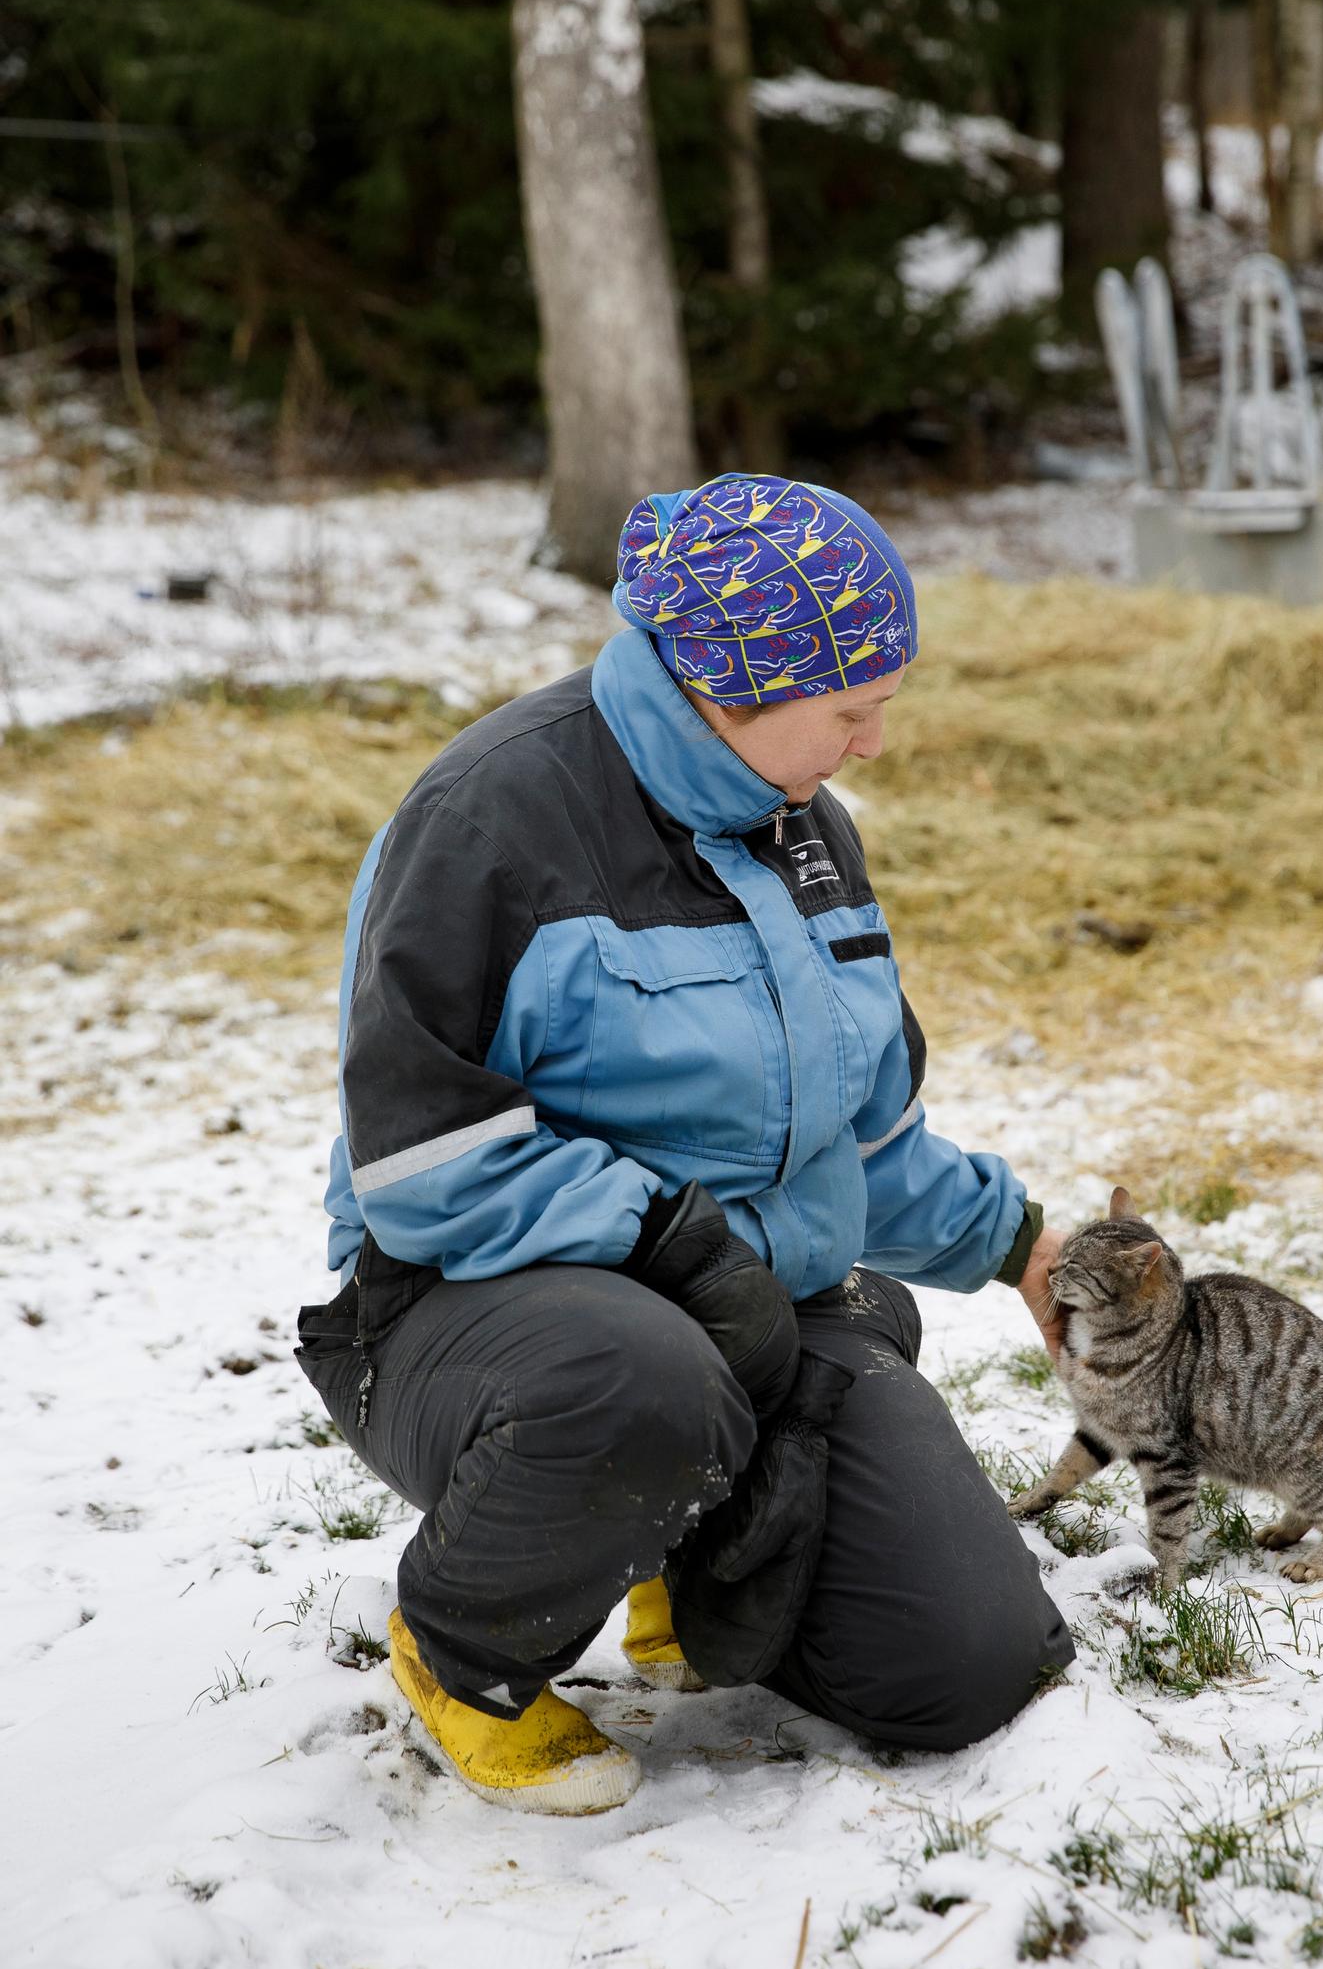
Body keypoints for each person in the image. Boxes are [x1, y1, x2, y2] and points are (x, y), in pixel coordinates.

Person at [295, 473, 1073, 1816]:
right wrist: (676, 1239)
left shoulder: (806, 832)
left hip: (750, 1322)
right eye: (852, 707)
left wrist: (1023, 1245)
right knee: (644, 1377)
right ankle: (463, 1652)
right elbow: (423, 1164)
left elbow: (863, 1132)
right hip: (471, 1326)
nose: (874, 742)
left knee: (966, 1662)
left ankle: (694, 1559)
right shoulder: (491, 822)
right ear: (738, 687)